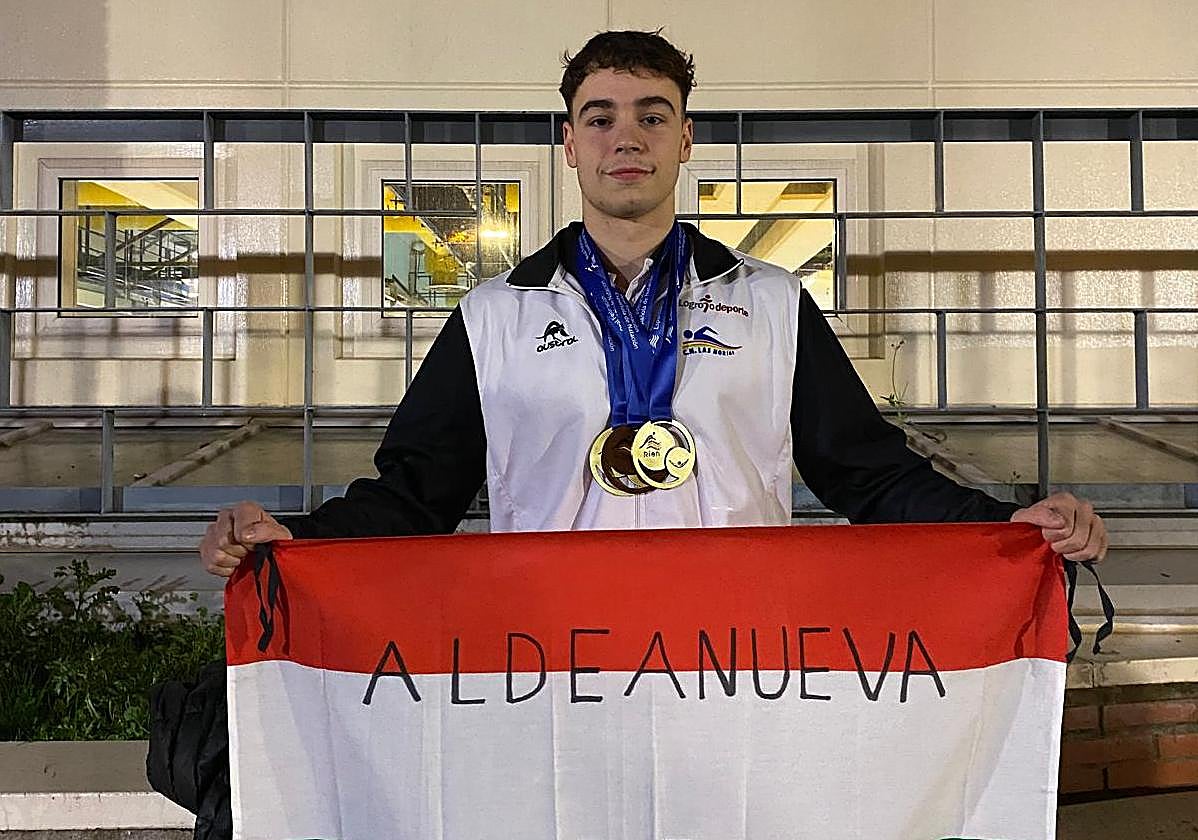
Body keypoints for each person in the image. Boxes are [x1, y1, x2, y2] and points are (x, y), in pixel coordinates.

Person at [200, 29, 1108, 577]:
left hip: (734, 641)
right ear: (569, 144)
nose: (625, 137)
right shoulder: (493, 317)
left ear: (685, 140)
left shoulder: (771, 304)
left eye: (651, 115)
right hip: (550, 642)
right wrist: (296, 536)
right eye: (600, 117)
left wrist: (1005, 524)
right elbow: (414, 494)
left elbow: (867, 472)